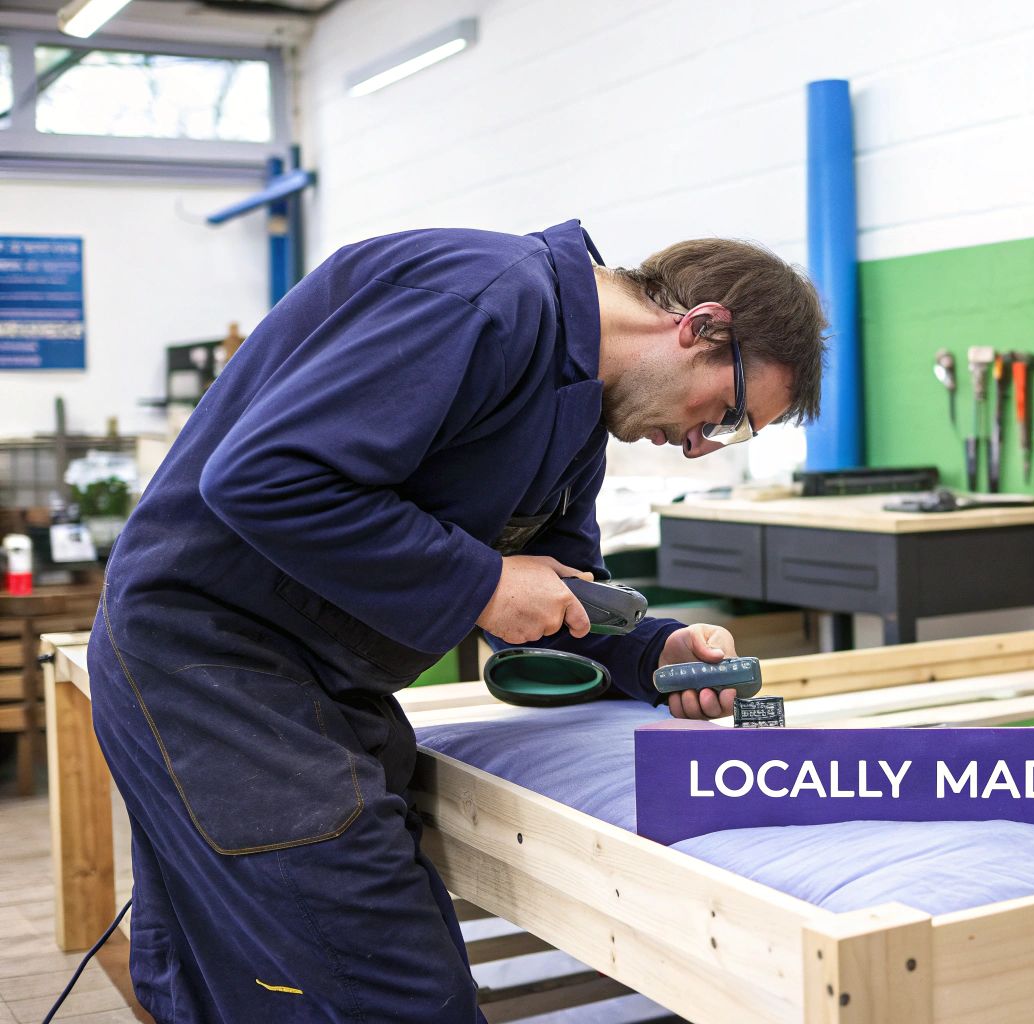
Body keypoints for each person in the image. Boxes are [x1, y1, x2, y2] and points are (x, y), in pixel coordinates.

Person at [87, 220, 826, 1021]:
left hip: (320, 685)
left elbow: (555, 595)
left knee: (225, 977)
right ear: (700, 328)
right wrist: (482, 582)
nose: (698, 447)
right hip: (209, 663)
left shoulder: (580, 412)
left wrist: (652, 651)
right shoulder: (480, 299)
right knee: (393, 990)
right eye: (724, 415)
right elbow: (264, 478)